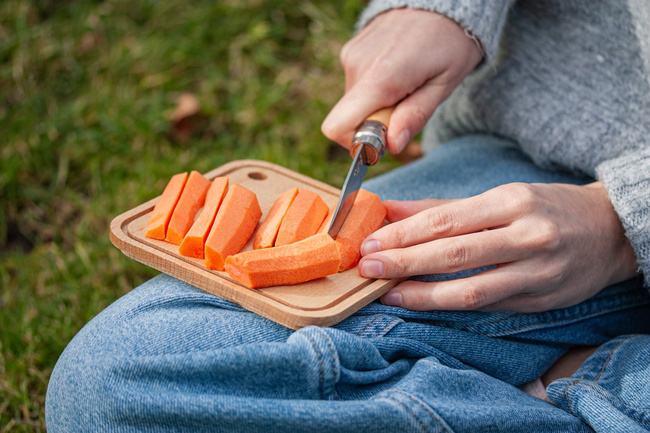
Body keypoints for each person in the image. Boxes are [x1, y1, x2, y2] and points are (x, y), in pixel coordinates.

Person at [46, 1, 650, 432]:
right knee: (106, 387)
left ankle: (596, 381)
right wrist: (440, 9)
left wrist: (623, 221)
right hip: (537, 163)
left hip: (624, 205)